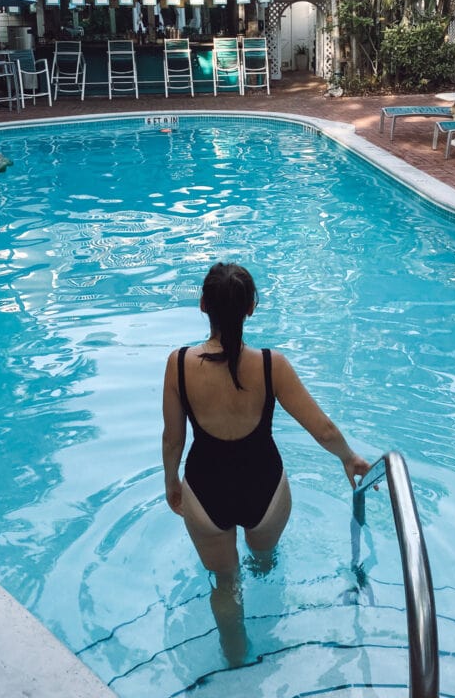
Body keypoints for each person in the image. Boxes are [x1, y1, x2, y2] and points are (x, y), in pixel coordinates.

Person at [161, 262, 372, 662]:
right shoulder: (273, 365)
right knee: (263, 561)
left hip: (205, 493)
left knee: (225, 584)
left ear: (203, 305)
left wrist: (171, 482)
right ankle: (271, 611)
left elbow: (173, 439)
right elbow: (323, 429)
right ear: (251, 309)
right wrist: (349, 458)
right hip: (266, 492)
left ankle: (236, 657)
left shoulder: (178, 364)